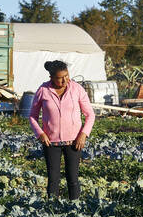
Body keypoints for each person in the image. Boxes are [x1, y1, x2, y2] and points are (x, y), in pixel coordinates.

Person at [29, 60, 95, 200]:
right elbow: (32, 116)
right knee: (53, 179)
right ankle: (53, 209)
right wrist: (40, 133)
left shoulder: (77, 89)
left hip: (74, 142)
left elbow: (90, 114)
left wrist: (84, 134)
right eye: (60, 78)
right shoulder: (43, 91)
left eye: (66, 75)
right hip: (51, 143)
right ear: (51, 78)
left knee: (73, 178)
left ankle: (74, 209)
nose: (65, 80)